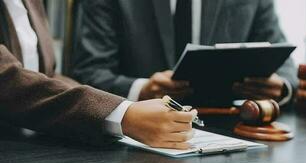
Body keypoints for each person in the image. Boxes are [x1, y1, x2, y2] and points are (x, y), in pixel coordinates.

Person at [0, 0, 196, 149]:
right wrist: (124, 115)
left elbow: (46, 75)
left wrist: (124, 108)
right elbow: (9, 81)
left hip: (37, 154)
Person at [71, 0, 297, 106]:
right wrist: (141, 90)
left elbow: (286, 65)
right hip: (135, 138)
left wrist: (282, 87)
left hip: (233, 132)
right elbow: (89, 72)